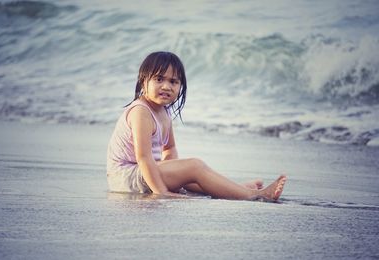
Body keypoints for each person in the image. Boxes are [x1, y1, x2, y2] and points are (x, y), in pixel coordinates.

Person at [107, 51, 286, 200]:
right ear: (143, 82)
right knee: (194, 166)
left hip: (144, 172)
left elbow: (170, 148)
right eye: (159, 79)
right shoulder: (141, 112)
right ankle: (253, 195)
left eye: (173, 81)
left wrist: (174, 175)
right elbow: (144, 158)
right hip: (127, 178)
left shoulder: (164, 112)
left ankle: (237, 189)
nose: (166, 86)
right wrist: (161, 191)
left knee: (188, 176)